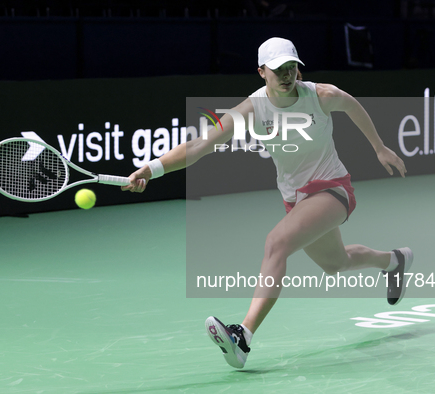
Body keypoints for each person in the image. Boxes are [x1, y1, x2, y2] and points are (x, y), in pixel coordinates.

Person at [121, 37, 414, 369]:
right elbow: (199, 145)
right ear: (262, 72)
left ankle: (242, 336)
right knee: (336, 263)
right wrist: (151, 168)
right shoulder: (250, 110)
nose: (288, 75)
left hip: (332, 188)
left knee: (276, 243)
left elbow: (353, 106)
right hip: (295, 197)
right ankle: (394, 261)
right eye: (278, 70)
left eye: (292, 67)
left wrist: (379, 147)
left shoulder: (321, 95)